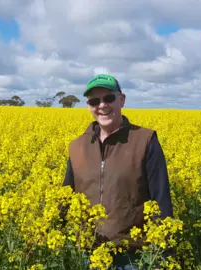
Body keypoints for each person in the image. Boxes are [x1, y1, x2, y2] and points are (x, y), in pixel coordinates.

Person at [62, 74, 174, 269]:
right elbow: (65, 195)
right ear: (88, 106)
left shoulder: (145, 140)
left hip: (132, 256)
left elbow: (161, 198)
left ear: (121, 100)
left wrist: (162, 255)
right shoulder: (77, 146)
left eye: (109, 98)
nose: (102, 105)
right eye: (94, 101)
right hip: (89, 254)